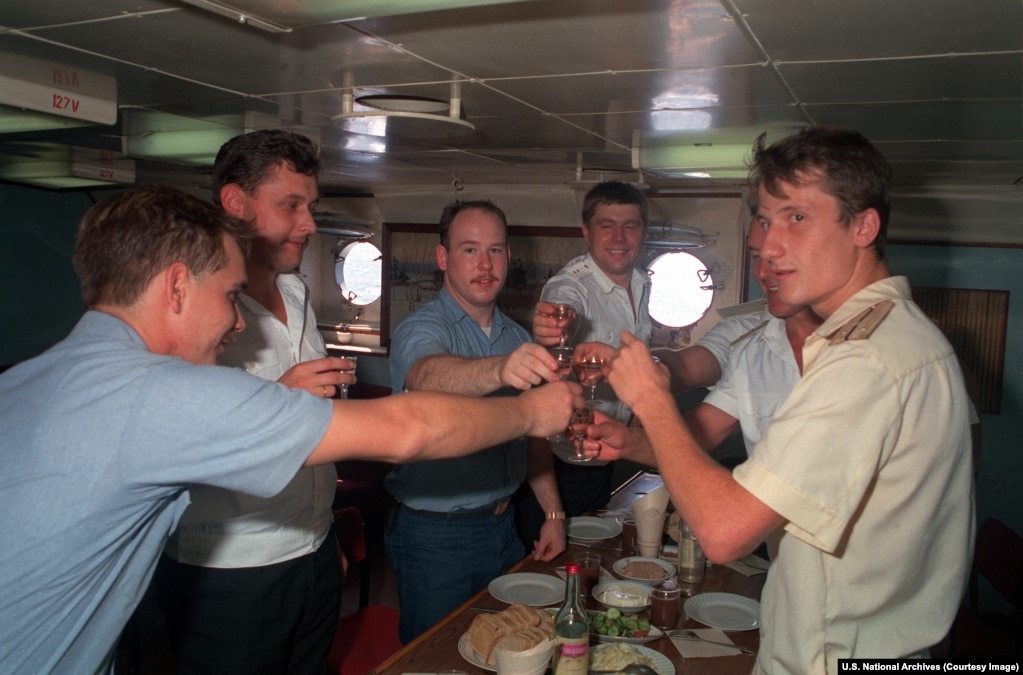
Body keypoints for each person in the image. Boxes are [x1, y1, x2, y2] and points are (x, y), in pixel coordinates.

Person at [0, 185, 579, 674]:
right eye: (229, 295)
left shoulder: (32, 379)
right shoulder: (162, 393)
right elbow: (410, 426)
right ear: (176, 287)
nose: (234, 321)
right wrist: (531, 411)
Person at [588, 127, 975, 671]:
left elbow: (723, 533)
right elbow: (699, 440)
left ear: (864, 226)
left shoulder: (865, 360)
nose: (769, 246)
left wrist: (651, 399)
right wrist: (629, 441)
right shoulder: (894, 337)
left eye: (797, 217)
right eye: (767, 220)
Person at [155, 129, 346, 673]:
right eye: (291, 205)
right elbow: (171, 435)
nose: (309, 225)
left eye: (310, 206)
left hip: (311, 554)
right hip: (231, 574)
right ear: (235, 204)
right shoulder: (190, 308)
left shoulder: (296, 292)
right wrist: (279, 398)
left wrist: (320, 536)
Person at [384, 200, 567, 643]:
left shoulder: (517, 337)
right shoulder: (422, 329)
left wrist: (553, 512)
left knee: (507, 651)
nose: (485, 265)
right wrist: (499, 370)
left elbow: (534, 434)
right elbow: (425, 374)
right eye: (469, 250)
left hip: (505, 528)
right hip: (437, 538)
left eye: (496, 251)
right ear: (443, 258)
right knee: (435, 661)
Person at [522, 181, 651, 537]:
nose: (619, 237)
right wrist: (557, 320)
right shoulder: (571, 285)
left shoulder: (642, 285)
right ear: (586, 232)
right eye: (606, 225)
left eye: (631, 225)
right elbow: (564, 307)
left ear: (644, 232)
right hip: (559, 472)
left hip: (609, 458)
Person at [683, 221, 822, 457]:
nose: (762, 273)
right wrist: (628, 438)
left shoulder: (872, 348)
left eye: (779, 256)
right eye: (757, 257)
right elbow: (699, 432)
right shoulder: (750, 351)